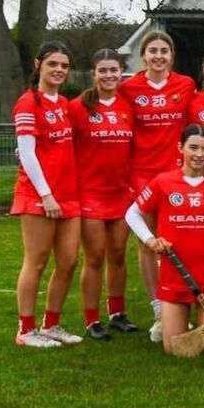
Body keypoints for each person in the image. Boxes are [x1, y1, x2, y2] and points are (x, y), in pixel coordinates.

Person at [118, 31, 197, 342]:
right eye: (153, 50)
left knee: (181, 238)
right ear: (143, 54)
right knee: (149, 243)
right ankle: (158, 310)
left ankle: (181, 304)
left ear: (171, 55)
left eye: (164, 50)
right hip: (142, 175)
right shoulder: (128, 88)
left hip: (178, 175)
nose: (159, 56)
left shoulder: (185, 85)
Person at [125, 124, 204, 355]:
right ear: (180, 147)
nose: (199, 154)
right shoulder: (164, 181)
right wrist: (151, 240)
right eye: (193, 147)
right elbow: (132, 213)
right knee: (175, 349)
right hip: (176, 274)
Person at [11, 41, 83, 347]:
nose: (59, 70)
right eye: (53, 64)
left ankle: (51, 324)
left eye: (64, 66)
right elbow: (27, 154)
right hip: (39, 196)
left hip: (69, 195)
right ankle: (26, 331)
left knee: (68, 262)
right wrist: (46, 194)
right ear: (38, 64)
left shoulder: (64, 104)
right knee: (36, 261)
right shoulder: (28, 104)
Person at [68, 48, 137, 340]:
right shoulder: (78, 106)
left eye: (114, 70)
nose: (109, 75)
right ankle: (91, 319)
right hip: (90, 194)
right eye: (103, 70)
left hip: (120, 193)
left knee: (118, 254)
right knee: (95, 256)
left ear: (121, 72)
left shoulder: (127, 106)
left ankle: (117, 313)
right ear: (94, 73)